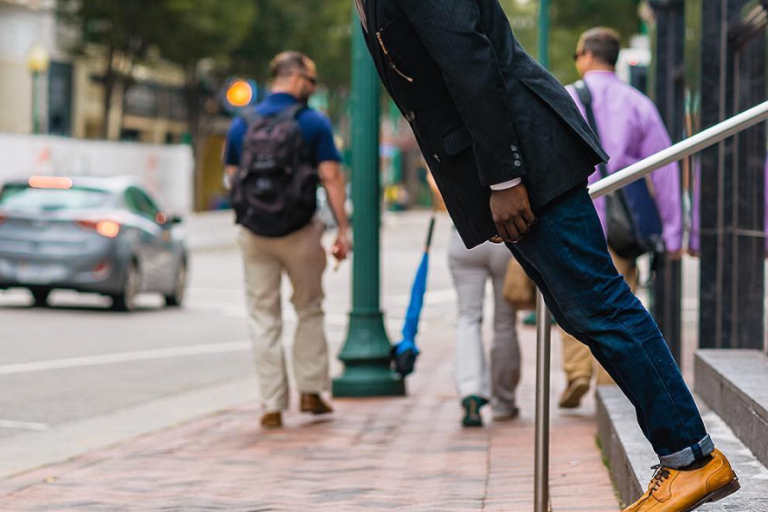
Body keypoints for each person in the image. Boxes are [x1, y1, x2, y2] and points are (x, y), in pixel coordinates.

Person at [355, 1, 739, 510]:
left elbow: (470, 59)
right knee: (586, 311)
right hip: (519, 161)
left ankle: (692, 459)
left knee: (601, 305)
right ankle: (685, 456)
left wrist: (503, 179)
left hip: (529, 164)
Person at [558, 27, 683, 410]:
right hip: (622, 221)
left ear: (585, 55)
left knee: (570, 295)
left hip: (575, 214)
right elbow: (664, 170)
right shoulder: (638, 103)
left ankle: (577, 370)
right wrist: (675, 235)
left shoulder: (563, 98)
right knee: (619, 299)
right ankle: (610, 386)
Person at [224, 51, 351, 429]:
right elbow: (331, 178)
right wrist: (343, 229)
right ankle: (311, 390)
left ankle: (271, 405)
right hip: (299, 229)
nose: (312, 89)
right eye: (311, 82)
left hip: (254, 232)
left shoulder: (241, 123)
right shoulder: (312, 122)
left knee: (264, 316)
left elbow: (232, 177)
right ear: (297, 79)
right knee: (309, 307)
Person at [430, 173, 521, 427]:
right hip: (505, 234)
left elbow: (437, 185)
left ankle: (471, 391)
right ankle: (504, 401)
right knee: (505, 323)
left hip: (464, 236)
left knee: (468, 318)